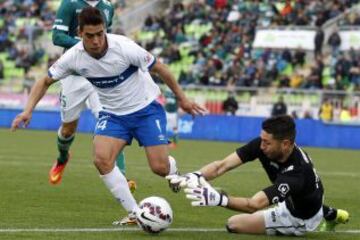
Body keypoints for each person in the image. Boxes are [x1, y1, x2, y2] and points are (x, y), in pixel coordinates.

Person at [11, 6, 205, 227]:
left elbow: (160, 68)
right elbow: (44, 81)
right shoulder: (74, 57)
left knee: (159, 168)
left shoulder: (124, 47)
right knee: (101, 159)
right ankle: (135, 212)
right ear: (79, 34)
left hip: (145, 110)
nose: (96, 40)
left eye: (100, 33)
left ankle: (173, 169)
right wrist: (28, 110)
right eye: (90, 36)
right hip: (113, 114)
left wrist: (183, 99)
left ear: (105, 29)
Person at [168, 115, 349, 236]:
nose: (261, 146)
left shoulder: (297, 173)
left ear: (285, 144)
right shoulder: (264, 146)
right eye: (261, 139)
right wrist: (195, 176)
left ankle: (318, 218)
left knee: (233, 224)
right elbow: (222, 166)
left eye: (267, 142)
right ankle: (332, 213)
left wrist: (220, 199)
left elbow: (254, 205)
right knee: (298, 198)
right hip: (305, 195)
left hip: (299, 217)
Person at [52, 0, 135, 225]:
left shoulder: (107, 6)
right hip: (74, 75)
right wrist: (83, 45)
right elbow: (57, 38)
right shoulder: (69, 5)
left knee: (109, 122)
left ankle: (123, 177)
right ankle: (62, 158)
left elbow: (106, 38)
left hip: (100, 76)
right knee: (68, 128)